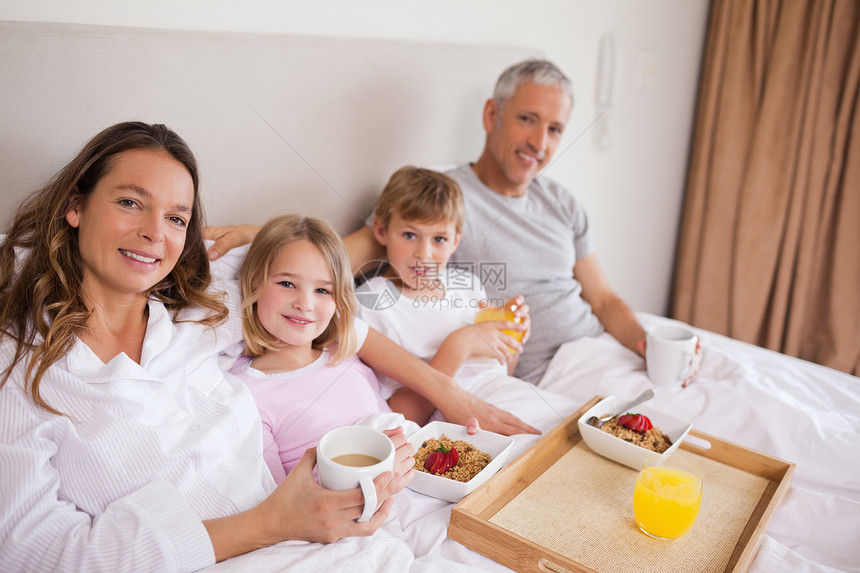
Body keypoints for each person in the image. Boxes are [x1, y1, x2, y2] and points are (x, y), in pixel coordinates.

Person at [0, 122, 417, 572]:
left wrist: (451, 393)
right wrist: (273, 523)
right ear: (75, 207)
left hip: (320, 541)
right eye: (129, 202)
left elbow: (313, 276)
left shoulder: (202, 309)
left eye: (176, 218)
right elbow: (32, 552)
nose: (154, 233)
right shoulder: (20, 364)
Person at [342, 58, 647, 383]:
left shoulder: (561, 201)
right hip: (554, 375)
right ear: (491, 115)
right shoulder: (439, 201)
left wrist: (646, 345)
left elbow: (602, 299)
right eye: (528, 119)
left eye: (554, 129)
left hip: (603, 349)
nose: (539, 143)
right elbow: (330, 263)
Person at [356, 165, 578, 433]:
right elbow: (398, 419)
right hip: (460, 425)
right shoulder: (371, 305)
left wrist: (510, 336)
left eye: (439, 238)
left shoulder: (467, 286)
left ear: (455, 241)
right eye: (410, 235)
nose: (423, 253)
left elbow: (497, 373)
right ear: (381, 231)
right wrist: (457, 347)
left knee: (585, 429)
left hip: (509, 396)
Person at [229, 213, 428, 482]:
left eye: (322, 290)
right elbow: (280, 504)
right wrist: (373, 471)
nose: (305, 303)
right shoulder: (245, 393)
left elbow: (391, 424)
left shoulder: (344, 356)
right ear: (255, 282)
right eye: (287, 284)